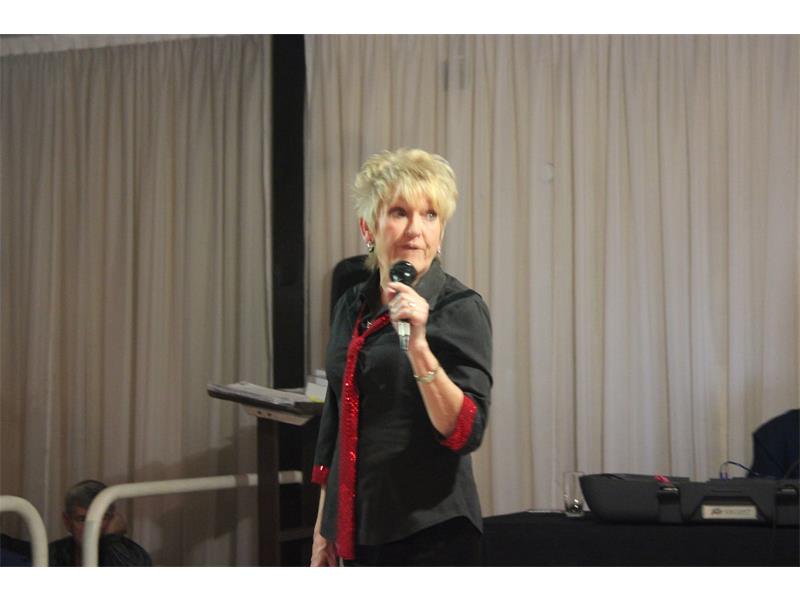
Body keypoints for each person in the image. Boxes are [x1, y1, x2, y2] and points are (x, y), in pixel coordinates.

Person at [310, 148, 493, 566]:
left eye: (430, 215)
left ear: (441, 232)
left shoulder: (460, 308)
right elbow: (336, 421)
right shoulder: (350, 305)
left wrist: (419, 347)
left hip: (430, 535)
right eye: (399, 212)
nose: (415, 230)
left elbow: (466, 432)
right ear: (368, 227)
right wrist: (324, 529)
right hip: (357, 530)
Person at [49, 479, 152, 566]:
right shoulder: (52, 553)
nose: (93, 529)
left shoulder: (134, 554)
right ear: (67, 522)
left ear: (113, 519)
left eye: (102, 518)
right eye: (82, 519)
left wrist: (112, 540)